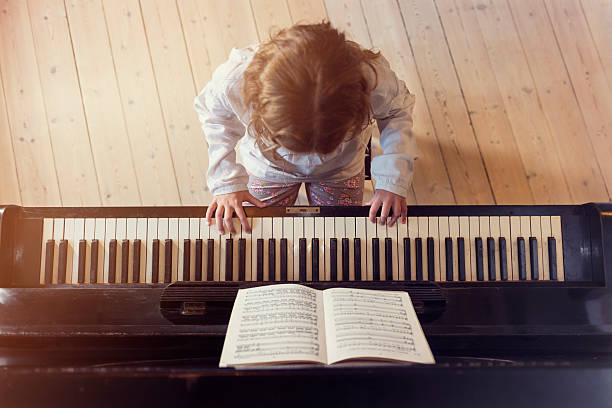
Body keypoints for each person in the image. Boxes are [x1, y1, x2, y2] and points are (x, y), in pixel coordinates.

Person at [194, 21, 416, 235]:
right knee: (263, 230)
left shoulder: (372, 78)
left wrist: (392, 180)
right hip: (270, 167)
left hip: (339, 169)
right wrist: (227, 182)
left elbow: (396, 111)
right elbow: (214, 115)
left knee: (337, 233)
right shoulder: (234, 79)